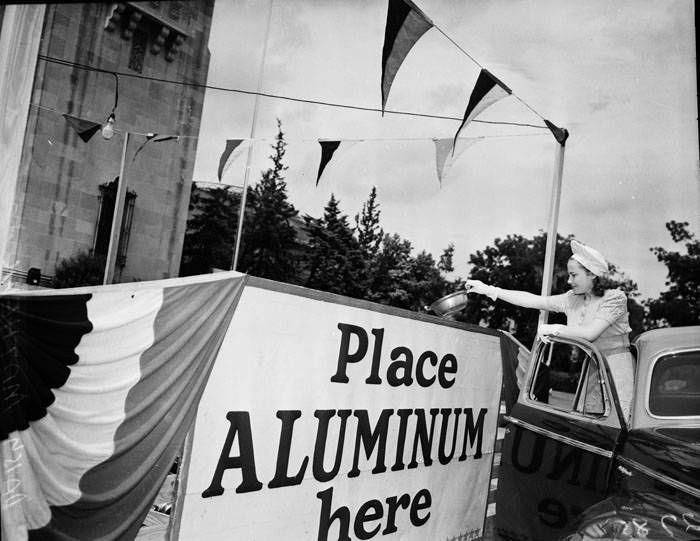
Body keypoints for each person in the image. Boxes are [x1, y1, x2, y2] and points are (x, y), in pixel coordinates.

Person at [464, 239, 635, 421]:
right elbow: (535, 300)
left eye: (574, 275)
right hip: (592, 369)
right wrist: (490, 290)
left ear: (592, 274)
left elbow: (590, 333)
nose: (569, 280)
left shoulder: (615, 298)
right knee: (590, 427)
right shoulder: (572, 299)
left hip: (617, 371)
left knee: (617, 424)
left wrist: (555, 329)